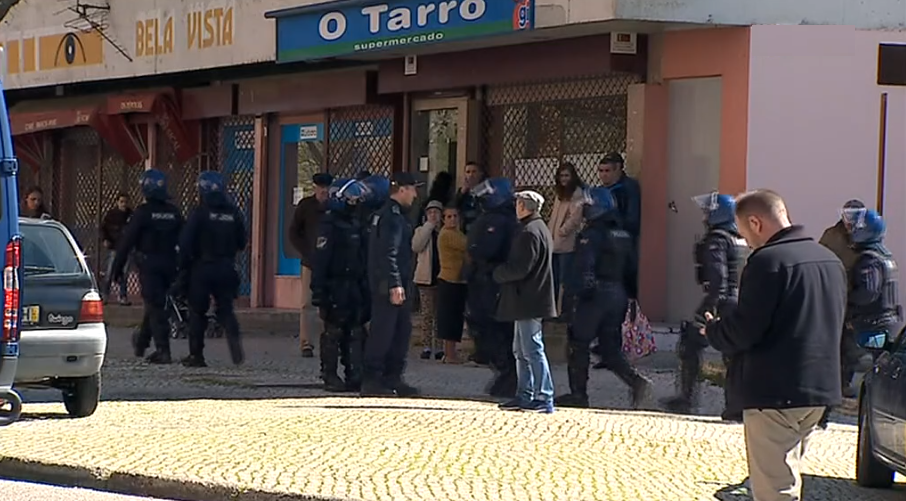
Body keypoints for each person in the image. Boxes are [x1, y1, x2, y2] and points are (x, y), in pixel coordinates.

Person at [702, 189, 846, 501]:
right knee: (788, 475)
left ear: (756, 222)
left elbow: (746, 329)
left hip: (774, 391)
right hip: (818, 389)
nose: (746, 241)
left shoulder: (767, 261)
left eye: (744, 232)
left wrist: (714, 332)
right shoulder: (830, 260)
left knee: (775, 490)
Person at [555, 187, 653, 409]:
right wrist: (630, 297)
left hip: (595, 296)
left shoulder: (591, 235)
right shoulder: (623, 235)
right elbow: (631, 269)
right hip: (617, 294)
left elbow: (585, 267)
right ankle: (636, 381)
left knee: (578, 343)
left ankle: (578, 395)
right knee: (609, 347)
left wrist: (577, 296)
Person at [662, 192, 748, 421]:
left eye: (709, 210)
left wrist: (708, 309)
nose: (705, 214)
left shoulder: (717, 240)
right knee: (734, 356)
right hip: (740, 301)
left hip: (722, 302)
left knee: (690, 345)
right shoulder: (740, 240)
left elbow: (718, 280)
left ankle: (686, 399)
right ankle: (736, 407)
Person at [493, 190, 557, 414]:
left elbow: (521, 268)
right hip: (528, 299)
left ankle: (543, 395)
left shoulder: (530, 232)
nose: (516, 207)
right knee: (521, 349)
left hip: (529, 299)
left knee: (532, 348)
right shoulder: (537, 228)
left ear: (525, 207)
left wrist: (498, 273)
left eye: (519, 203)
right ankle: (525, 393)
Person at [111, 169, 184, 364]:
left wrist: (116, 270)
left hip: (150, 265)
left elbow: (126, 242)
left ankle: (163, 350)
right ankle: (142, 341)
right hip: (171, 264)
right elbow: (185, 240)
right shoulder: (174, 213)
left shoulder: (142, 213)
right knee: (156, 305)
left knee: (155, 306)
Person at [310, 178, 375, 392]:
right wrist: (318, 291)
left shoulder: (355, 223)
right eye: (351, 198)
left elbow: (363, 259)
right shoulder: (329, 225)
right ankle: (329, 374)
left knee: (355, 331)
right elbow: (320, 260)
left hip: (353, 285)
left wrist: (365, 289)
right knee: (334, 332)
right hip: (334, 285)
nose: (354, 203)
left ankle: (354, 372)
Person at [177, 171, 247, 368]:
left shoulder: (200, 213)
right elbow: (242, 241)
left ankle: (196, 355)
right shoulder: (234, 213)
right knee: (226, 309)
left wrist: (183, 267)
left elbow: (186, 242)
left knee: (197, 312)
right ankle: (234, 342)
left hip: (203, 268)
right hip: (226, 267)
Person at [362, 172, 421, 397]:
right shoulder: (391, 217)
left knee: (400, 333)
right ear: (402, 189)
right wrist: (395, 284)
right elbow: (389, 253)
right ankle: (373, 380)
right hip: (389, 285)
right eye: (412, 189)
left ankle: (392, 378)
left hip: (396, 282)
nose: (415, 194)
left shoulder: (393, 215)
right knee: (383, 333)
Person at [466, 177, 519, 398]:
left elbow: (486, 250)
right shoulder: (492, 217)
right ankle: (506, 373)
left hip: (492, 281)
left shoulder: (500, 221)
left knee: (494, 329)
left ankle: (509, 374)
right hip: (485, 280)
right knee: (484, 327)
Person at [819, 199, 869, 398]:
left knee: (849, 344)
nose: (850, 222)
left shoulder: (864, 235)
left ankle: (845, 382)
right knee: (831, 342)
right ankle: (831, 384)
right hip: (832, 294)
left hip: (853, 296)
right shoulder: (831, 235)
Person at [843, 207, 900, 357]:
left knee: (859, 367)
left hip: (870, 326)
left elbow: (868, 293)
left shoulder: (869, 259)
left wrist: (845, 299)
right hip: (886, 324)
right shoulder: (884, 255)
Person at [289, 172, 334, 358]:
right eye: (320, 187)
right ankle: (306, 343)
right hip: (310, 262)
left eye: (326, 187)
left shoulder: (335, 207)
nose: (324, 191)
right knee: (307, 304)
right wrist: (306, 251)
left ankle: (331, 339)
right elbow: (294, 232)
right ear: (315, 187)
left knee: (330, 303)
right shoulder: (305, 206)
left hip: (331, 263)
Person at [597, 153, 640, 299]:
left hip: (622, 244)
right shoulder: (600, 191)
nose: (603, 175)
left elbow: (632, 219)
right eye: (601, 171)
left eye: (607, 171)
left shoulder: (629, 188)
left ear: (618, 170)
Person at [548, 162, 585, 320]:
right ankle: (553, 310)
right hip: (554, 241)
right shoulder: (560, 194)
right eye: (561, 175)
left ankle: (564, 311)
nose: (564, 179)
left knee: (565, 279)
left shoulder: (577, 193)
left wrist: (562, 231)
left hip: (566, 242)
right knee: (554, 278)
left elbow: (575, 218)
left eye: (567, 175)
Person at [436, 206, 468, 364]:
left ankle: (451, 353)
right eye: (448, 216)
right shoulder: (448, 234)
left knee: (455, 318)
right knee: (449, 318)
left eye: (455, 216)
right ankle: (449, 354)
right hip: (450, 280)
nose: (452, 219)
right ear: (443, 219)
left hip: (458, 280)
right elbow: (468, 245)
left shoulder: (457, 232)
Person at [413, 200, 444, 360]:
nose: (433, 215)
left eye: (436, 212)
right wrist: (428, 227)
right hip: (425, 278)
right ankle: (426, 345)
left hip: (442, 278)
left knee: (440, 315)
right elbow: (416, 246)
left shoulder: (445, 231)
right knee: (427, 314)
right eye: (430, 212)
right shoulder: (421, 230)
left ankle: (439, 347)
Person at [101, 192, 134, 305]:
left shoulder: (131, 215)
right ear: (117, 202)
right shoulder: (111, 214)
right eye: (121, 202)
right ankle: (105, 295)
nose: (124, 204)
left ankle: (122, 296)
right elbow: (104, 228)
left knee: (124, 273)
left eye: (125, 202)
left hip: (127, 247)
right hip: (115, 246)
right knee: (110, 271)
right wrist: (105, 239)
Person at [456, 162, 487, 235]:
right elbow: (453, 207)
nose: (471, 175)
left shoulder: (486, 191)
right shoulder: (462, 192)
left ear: (480, 174)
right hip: (465, 231)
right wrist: (461, 193)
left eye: (474, 172)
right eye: (468, 172)